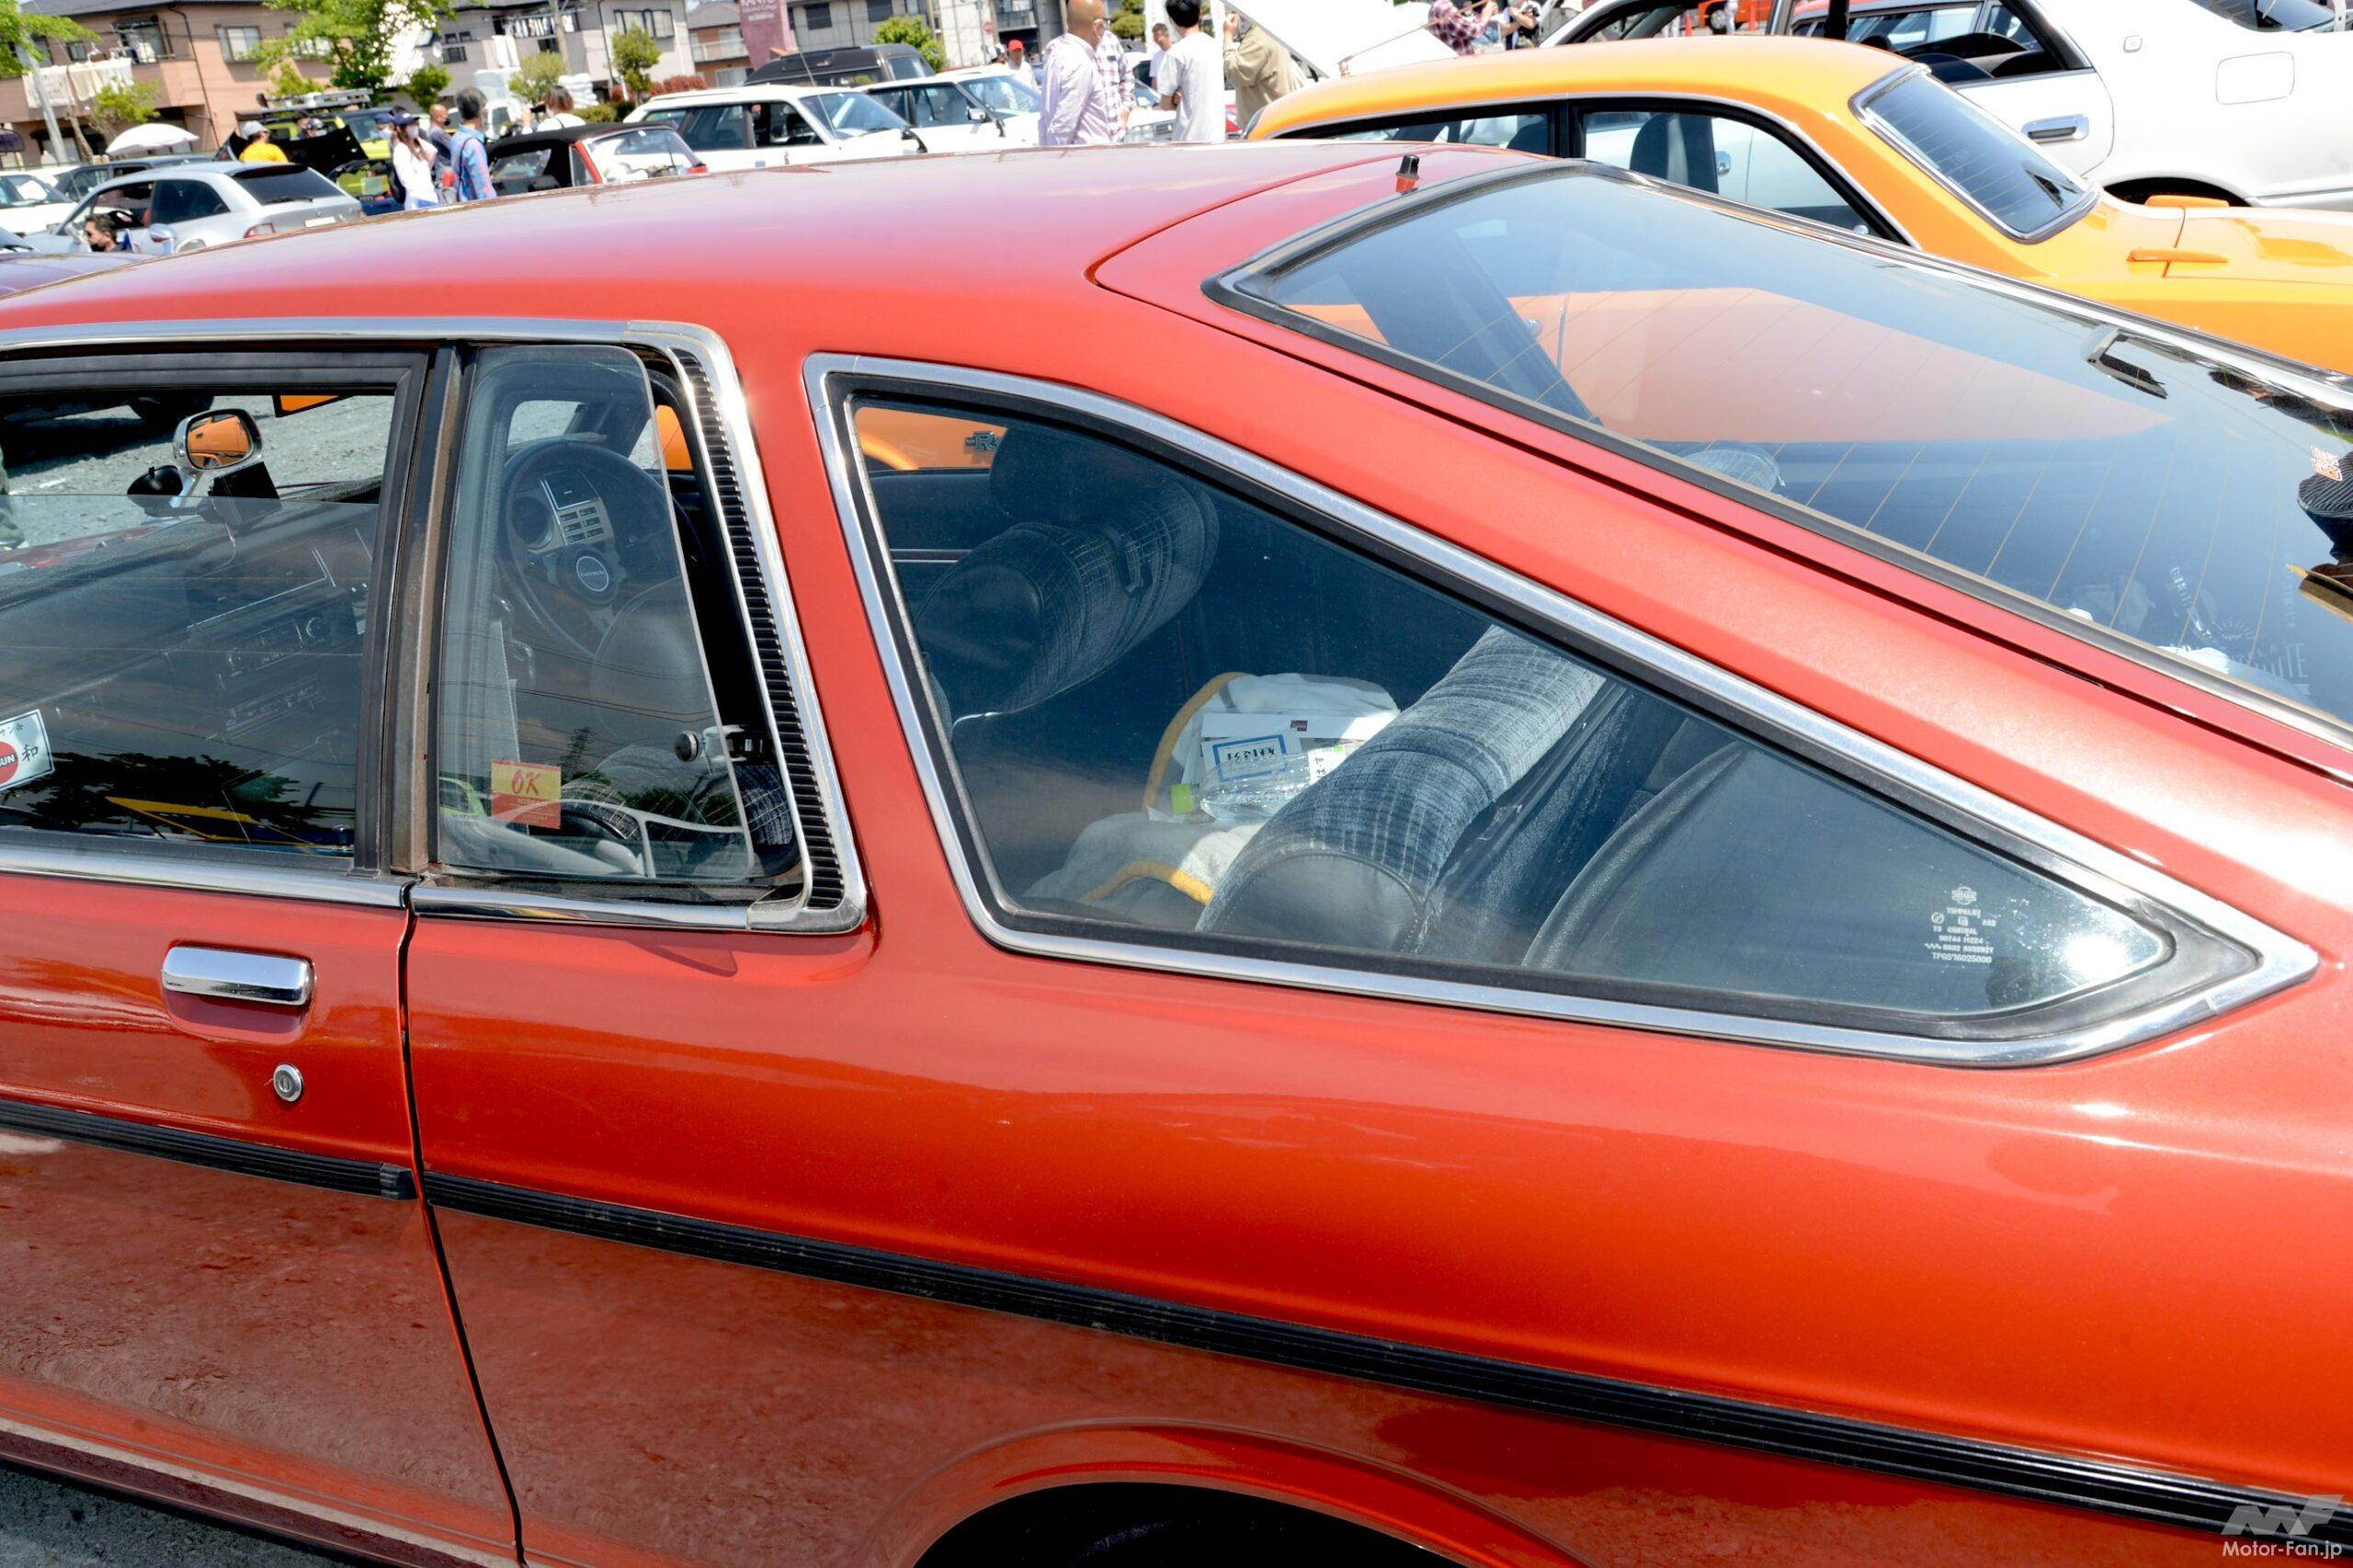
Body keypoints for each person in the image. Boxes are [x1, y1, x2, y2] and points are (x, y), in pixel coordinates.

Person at [1038, 0, 1120, 147]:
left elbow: (1045, 119)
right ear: (1097, 26)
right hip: (1088, 157)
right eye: (1105, 23)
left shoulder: (1056, 54)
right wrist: (1055, 156)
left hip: (1070, 155)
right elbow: (1063, 127)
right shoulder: (1080, 62)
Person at [1156, 0, 1223, 143]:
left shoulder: (1175, 53)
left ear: (1172, 20)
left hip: (1187, 139)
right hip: (1217, 136)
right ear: (1200, 14)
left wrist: (1175, 99)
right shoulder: (1216, 46)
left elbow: (1165, 105)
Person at [1222, 15, 1298, 132]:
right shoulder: (1263, 33)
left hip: (1266, 128)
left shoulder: (1259, 38)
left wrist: (1228, 36)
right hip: (1273, 124)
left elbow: (1234, 72)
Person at [449, 87, 495, 202]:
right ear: (479, 110)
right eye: (484, 107)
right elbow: (484, 189)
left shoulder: (456, 138)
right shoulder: (473, 145)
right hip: (475, 207)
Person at [386, 108, 438, 209]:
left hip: (430, 196)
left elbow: (433, 150)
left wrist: (416, 138)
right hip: (418, 200)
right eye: (410, 125)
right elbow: (406, 180)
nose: (414, 127)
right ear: (400, 128)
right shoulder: (401, 149)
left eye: (415, 124)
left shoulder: (417, 147)